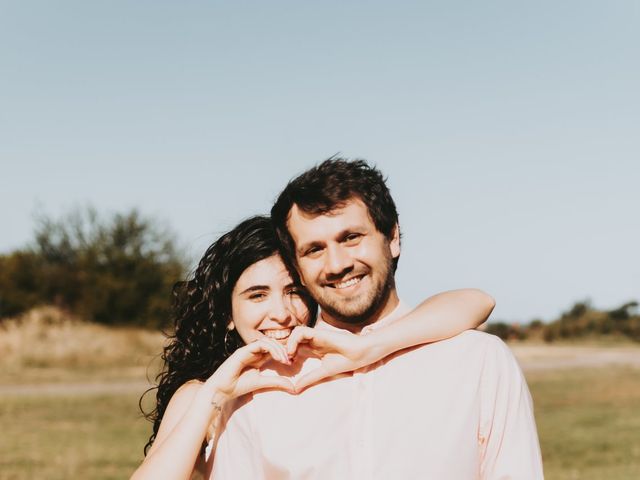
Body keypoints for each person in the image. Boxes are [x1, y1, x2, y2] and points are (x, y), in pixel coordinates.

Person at [210, 159, 544, 479]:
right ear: (297, 266)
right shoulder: (258, 388)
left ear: (393, 237)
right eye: (314, 249)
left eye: (351, 237)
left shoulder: (479, 361)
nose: (337, 263)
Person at [131, 215, 495, 480]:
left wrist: (368, 347)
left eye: (295, 292)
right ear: (228, 314)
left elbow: (475, 301)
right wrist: (217, 391)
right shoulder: (200, 394)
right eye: (257, 295)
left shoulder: (330, 365)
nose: (281, 313)